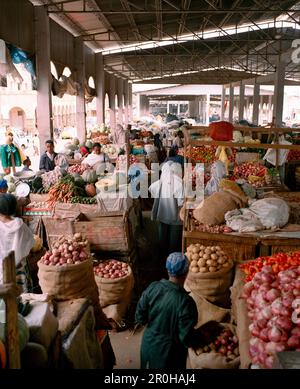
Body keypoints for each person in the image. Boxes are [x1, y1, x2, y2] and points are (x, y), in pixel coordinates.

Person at [135, 252, 198, 369]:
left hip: (148, 344)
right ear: (186, 272)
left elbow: (139, 317)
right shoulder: (186, 302)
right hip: (169, 352)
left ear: (167, 270)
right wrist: (201, 339)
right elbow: (186, 337)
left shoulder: (153, 287)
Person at [149, 161, 184, 258]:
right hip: (175, 217)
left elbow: (151, 188)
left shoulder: (161, 181)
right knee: (174, 241)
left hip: (162, 214)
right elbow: (181, 202)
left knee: (162, 237)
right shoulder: (178, 182)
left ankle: (161, 257)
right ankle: (171, 257)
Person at [0, 193, 34, 292]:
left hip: (2, 269)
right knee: (23, 296)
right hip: (19, 268)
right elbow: (30, 242)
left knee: (7, 300)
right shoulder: (20, 225)